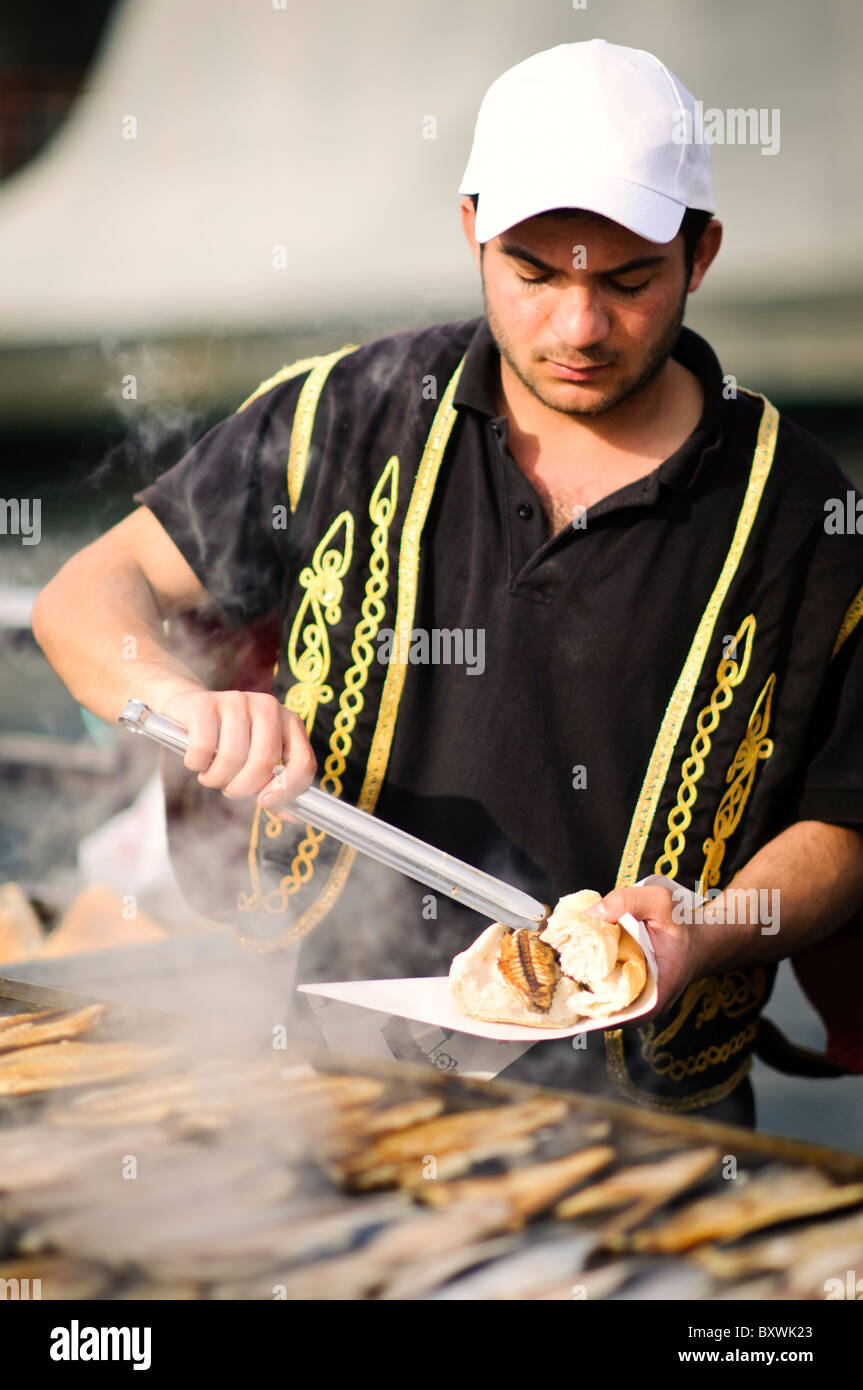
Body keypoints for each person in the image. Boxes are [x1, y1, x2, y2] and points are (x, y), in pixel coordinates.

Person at [32, 40, 863, 1127]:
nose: (577, 328)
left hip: (651, 1121)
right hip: (331, 1078)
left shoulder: (802, 509)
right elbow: (88, 591)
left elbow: (843, 828)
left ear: (698, 253)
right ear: (472, 227)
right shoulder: (350, 411)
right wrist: (188, 703)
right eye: (533, 273)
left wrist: (701, 931)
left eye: (625, 281)